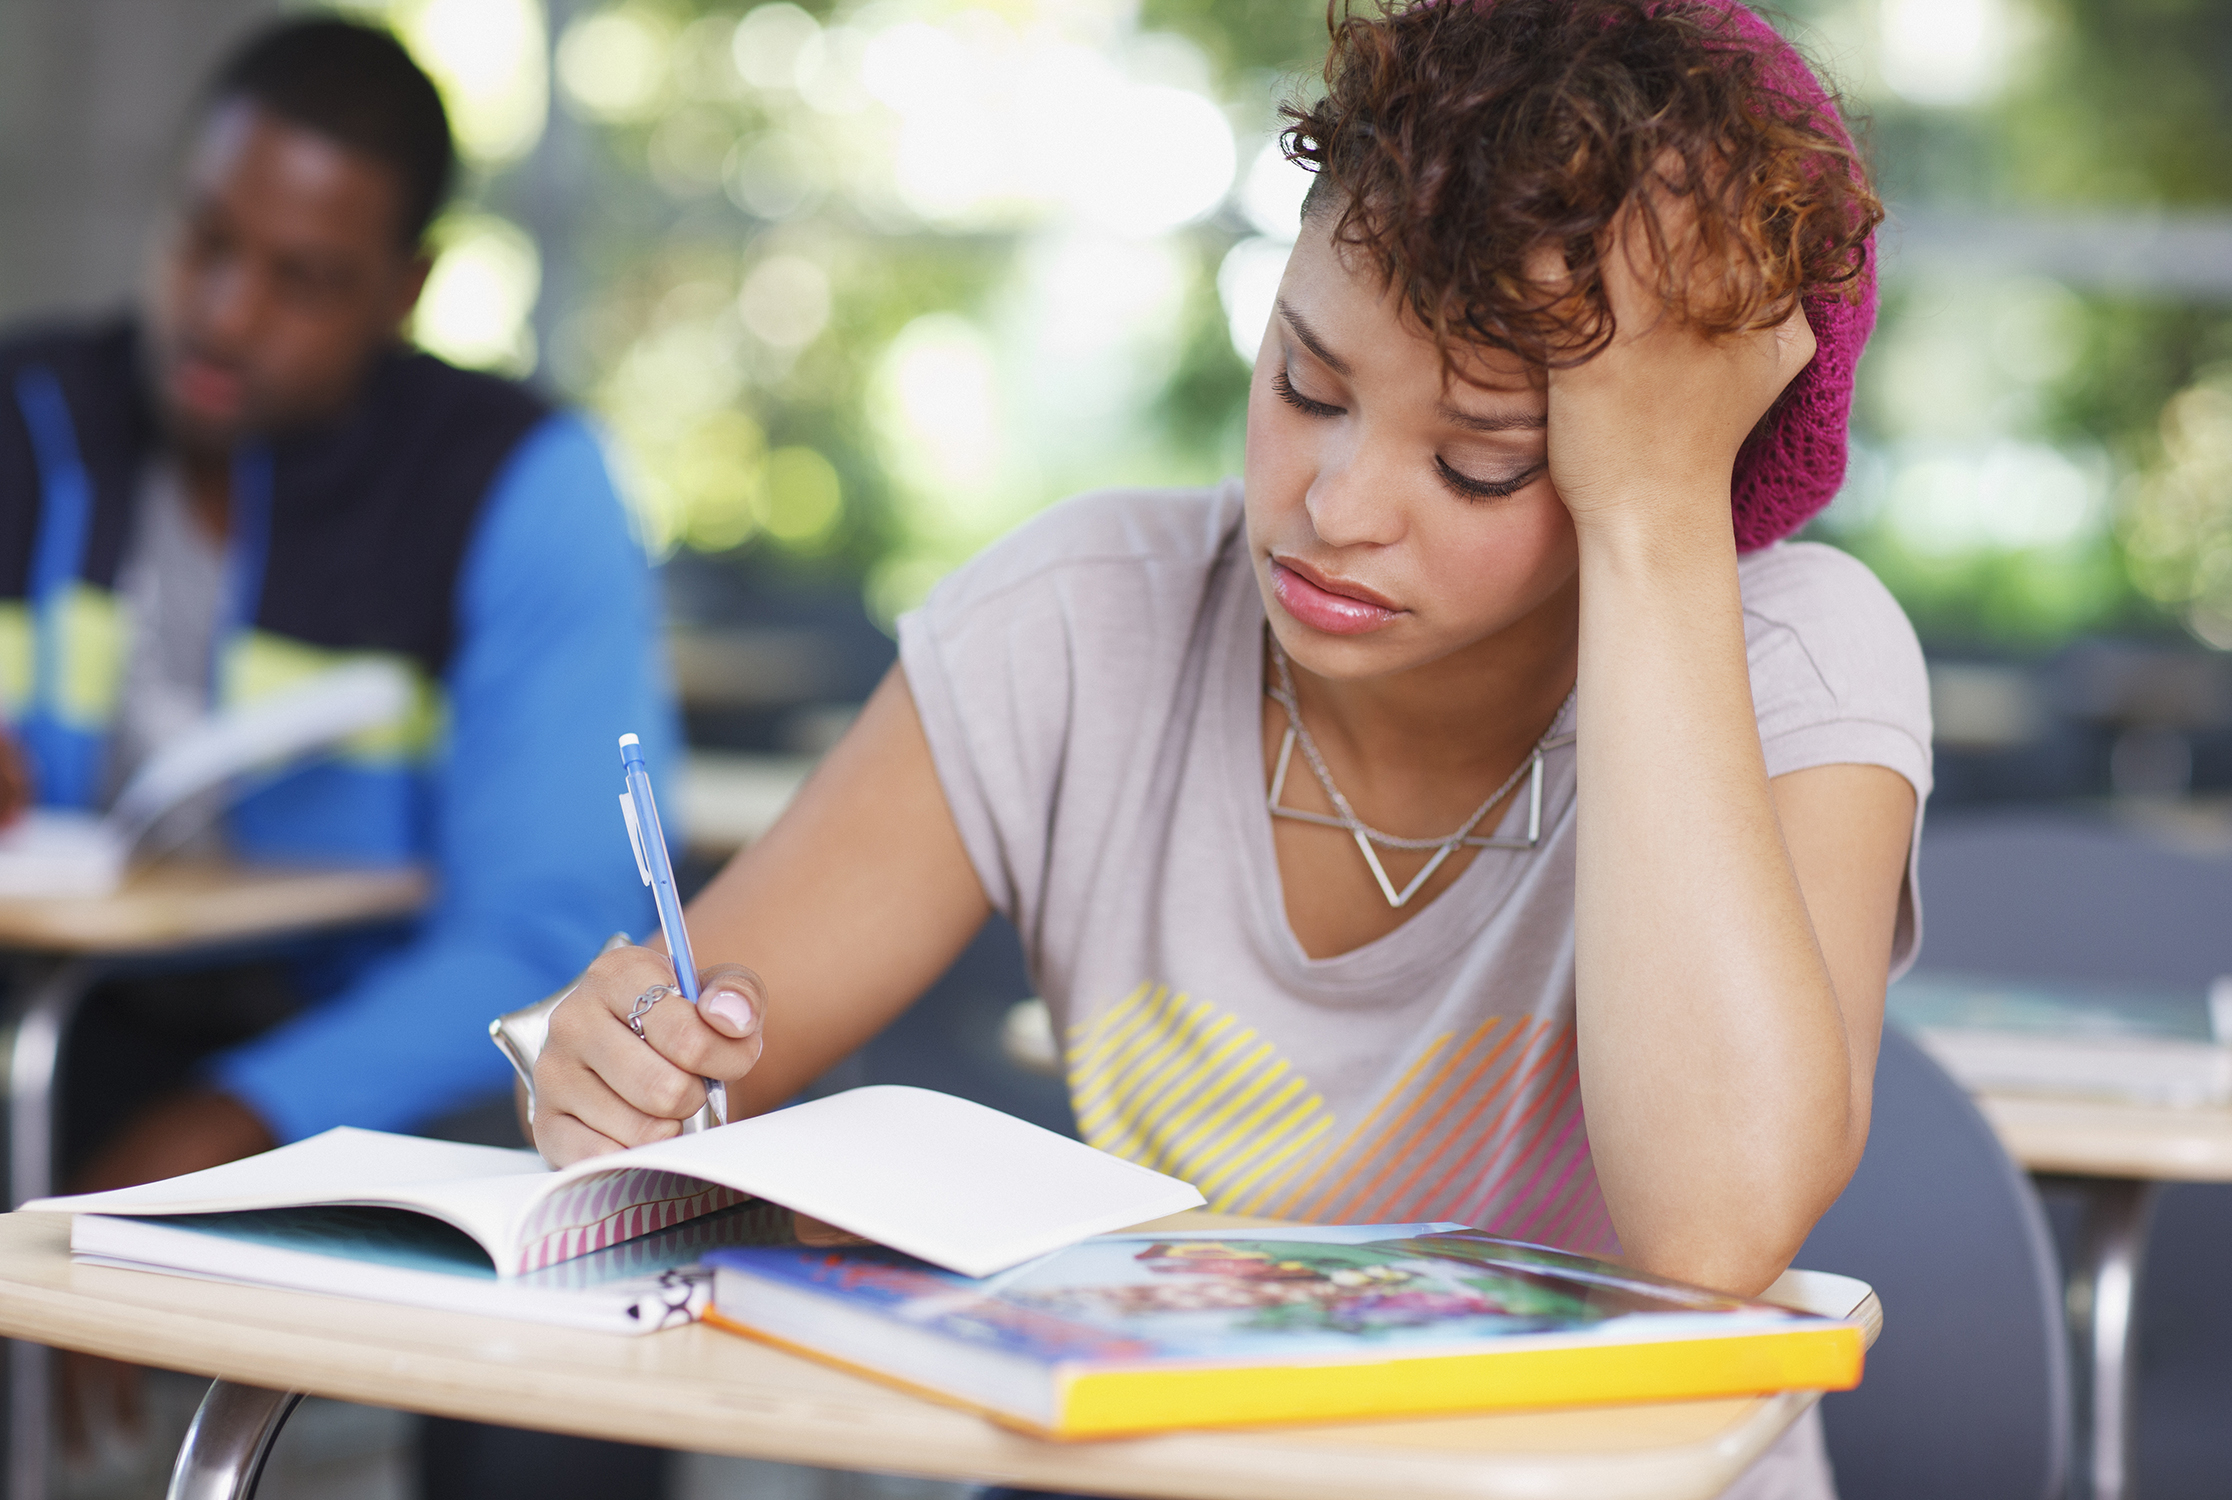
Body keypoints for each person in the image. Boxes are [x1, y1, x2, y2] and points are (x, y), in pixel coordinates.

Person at [535, 1, 1925, 1493]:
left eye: (1478, 461)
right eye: (1307, 386)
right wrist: (623, 1075)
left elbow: (1713, 1231)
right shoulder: (1076, 626)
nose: (1334, 504)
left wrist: (1657, 523)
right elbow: (696, 1083)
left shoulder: (1790, 661)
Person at [0, 15, 675, 1484]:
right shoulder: (32, 415)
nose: (225, 315)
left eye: (301, 280)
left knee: (573, 1352)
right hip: (75, 1028)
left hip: (417, 1071)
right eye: (205, 241)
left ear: (407, 291)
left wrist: (244, 1116)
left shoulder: (515, 484)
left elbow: (557, 930)